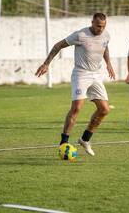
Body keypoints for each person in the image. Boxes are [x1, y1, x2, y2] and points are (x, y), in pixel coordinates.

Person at [35, 13, 115, 156]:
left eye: (103, 26)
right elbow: (58, 45)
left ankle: (85, 139)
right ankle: (64, 142)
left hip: (96, 75)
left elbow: (105, 47)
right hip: (81, 74)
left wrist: (108, 64)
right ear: (92, 22)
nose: (100, 29)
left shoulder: (106, 35)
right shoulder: (80, 35)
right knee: (77, 108)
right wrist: (46, 63)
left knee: (104, 110)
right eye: (98, 26)